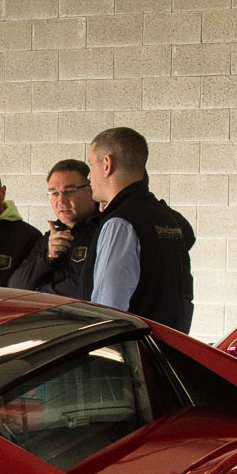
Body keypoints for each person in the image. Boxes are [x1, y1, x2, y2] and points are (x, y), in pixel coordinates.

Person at [87, 126, 196, 332]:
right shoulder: (167, 218)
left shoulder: (120, 224)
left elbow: (108, 312)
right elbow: (184, 299)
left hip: (132, 349)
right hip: (166, 344)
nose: (89, 176)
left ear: (107, 164)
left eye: (91, 165)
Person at [8, 159, 104, 301]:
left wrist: (38, 294)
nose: (61, 201)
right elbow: (15, 287)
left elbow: (84, 289)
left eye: (69, 192)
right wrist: (48, 257)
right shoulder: (52, 235)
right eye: (54, 193)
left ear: (90, 191)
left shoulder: (104, 229)